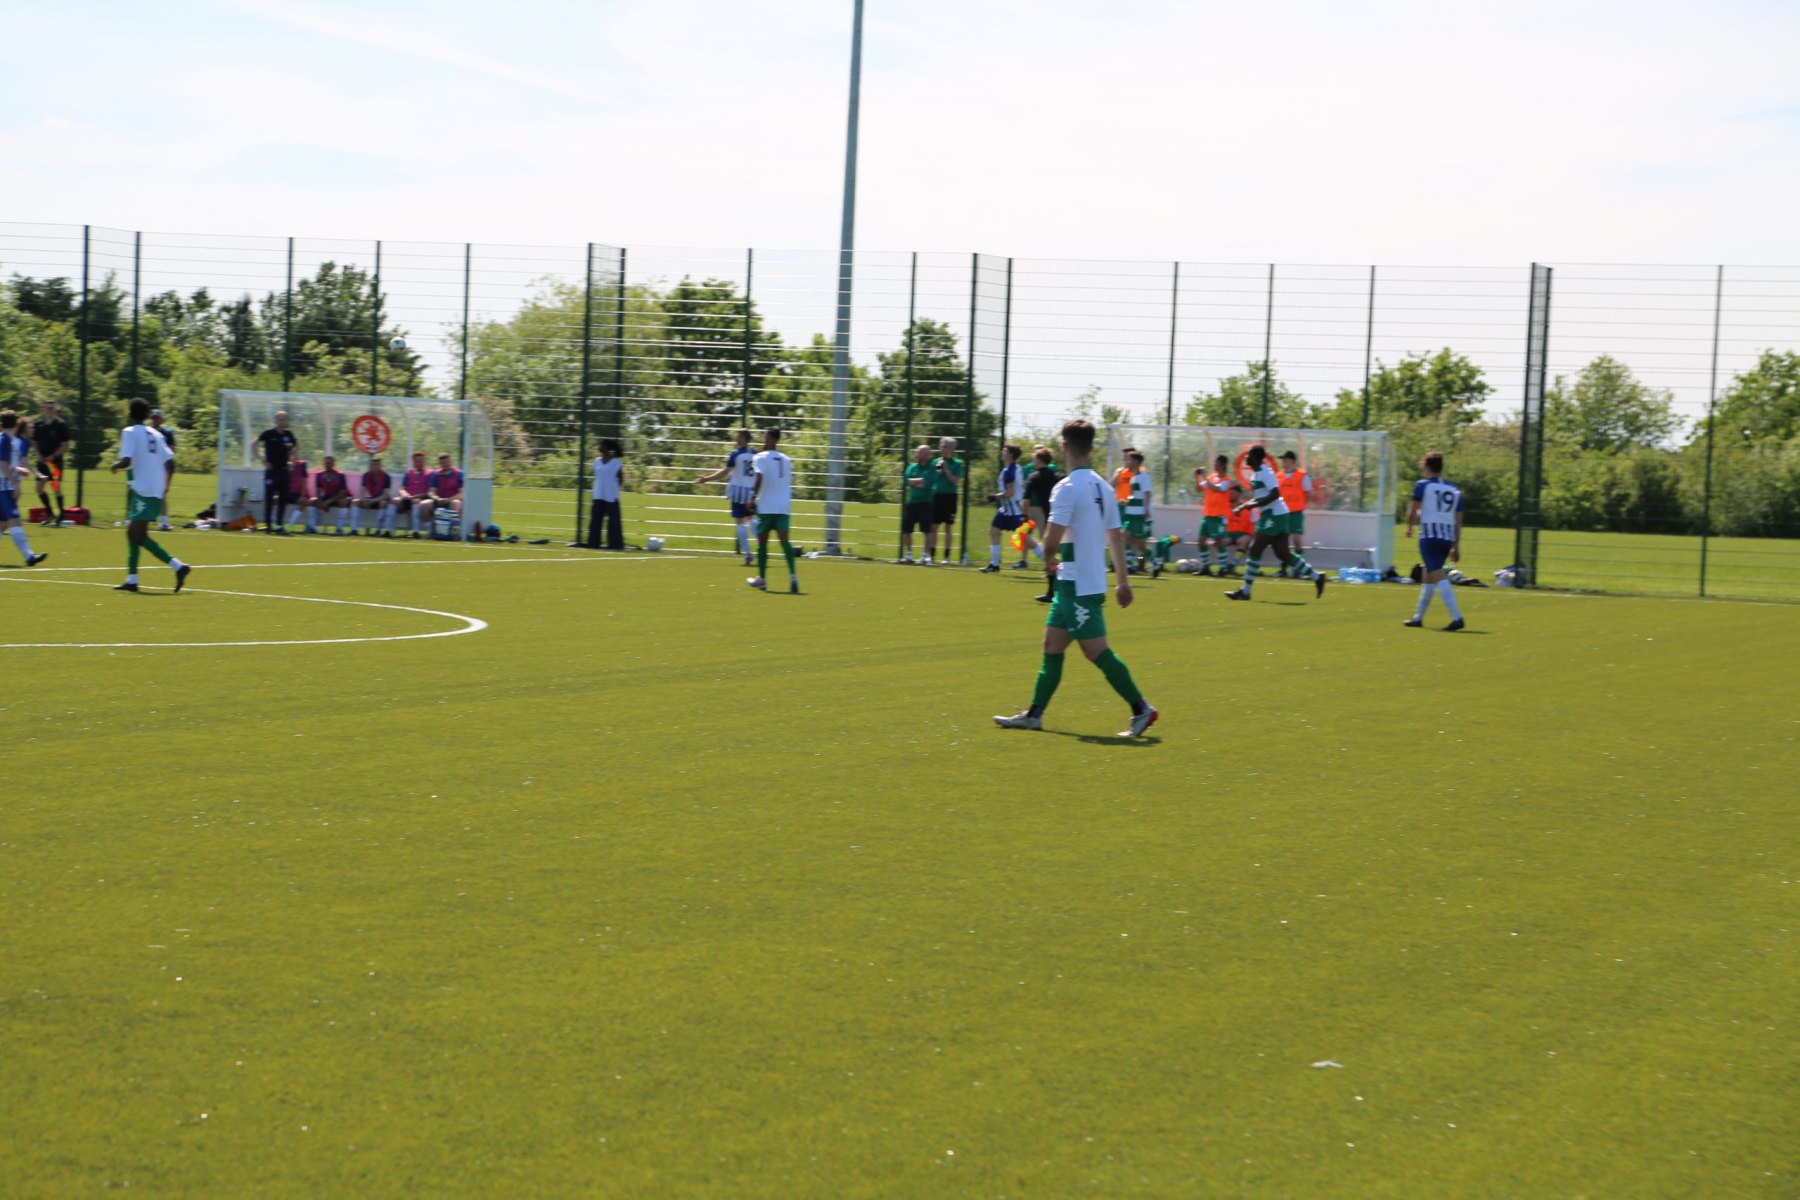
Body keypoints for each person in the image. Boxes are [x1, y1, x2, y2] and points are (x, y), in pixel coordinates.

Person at [995, 419, 1156, 738]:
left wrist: (1045, 556)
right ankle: (1034, 715)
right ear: (1091, 448)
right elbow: (1115, 537)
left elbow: (1052, 539)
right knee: (1052, 645)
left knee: (1096, 650)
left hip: (1077, 585)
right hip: (1081, 581)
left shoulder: (1066, 488)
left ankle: (1142, 709)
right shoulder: (1104, 487)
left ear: (1064, 446)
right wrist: (1123, 582)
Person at [1224, 444, 1326, 602]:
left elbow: (1275, 494)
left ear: (1256, 458)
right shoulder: (1256, 474)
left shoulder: (1266, 472)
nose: (1246, 458)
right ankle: (1317, 577)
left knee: (1255, 549)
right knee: (1283, 553)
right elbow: (1260, 497)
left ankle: (1245, 591)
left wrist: (1249, 506)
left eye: (1248, 455)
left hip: (1274, 515)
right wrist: (1244, 506)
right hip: (1276, 515)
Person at [110, 398, 191, 593]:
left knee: (136, 534)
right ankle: (132, 579)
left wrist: (116, 465)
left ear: (130, 414)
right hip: (154, 489)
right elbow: (171, 464)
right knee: (133, 532)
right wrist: (165, 487)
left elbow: (127, 460)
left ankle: (178, 566)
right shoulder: (157, 434)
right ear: (147, 415)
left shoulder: (129, 432)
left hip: (142, 489)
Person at [1403, 451, 1467, 632]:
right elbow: (1458, 520)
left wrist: (1409, 526)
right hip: (1446, 539)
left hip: (1429, 537)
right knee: (1428, 575)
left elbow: (1413, 510)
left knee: (1438, 575)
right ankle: (1418, 618)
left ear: (1427, 467)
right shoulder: (1454, 489)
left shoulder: (1423, 485)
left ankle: (1457, 617)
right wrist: (1456, 546)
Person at [746, 427, 799, 594]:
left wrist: (752, 497)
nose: (764, 440)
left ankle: (762, 579)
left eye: (766, 437)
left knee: (762, 542)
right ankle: (793, 578)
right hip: (783, 506)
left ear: (773, 439)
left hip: (766, 505)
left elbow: (759, 477)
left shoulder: (760, 457)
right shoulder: (786, 459)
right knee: (785, 542)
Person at [692, 429, 755, 565]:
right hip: (751, 492)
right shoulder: (755, 454)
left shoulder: (736, 454)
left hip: (738, 491)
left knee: (740, 522)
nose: (736, 438)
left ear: (744, 438)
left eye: (738, 436)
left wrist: (706, 479)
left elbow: (725, 472)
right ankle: (763, 546)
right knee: (750, 519)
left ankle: (748, 554)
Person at [0, 411, 48, 566]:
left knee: (3, 524)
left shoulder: (8, 440)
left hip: (5, 486)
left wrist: (18, 470)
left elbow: (7, 464)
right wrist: (15, 483)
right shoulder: (5, 440)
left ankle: (29, 556)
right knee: (15, 521)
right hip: (4, 487)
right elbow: (3, 465)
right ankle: (29, 556)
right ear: (16, 424)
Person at [981, 443, 1027, 573]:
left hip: (1014, 512)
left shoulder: (1009, 471)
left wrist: (994, 497)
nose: (1002, 452)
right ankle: (994, 565)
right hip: (1006, 510)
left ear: (1010, 455)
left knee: (1027, 540)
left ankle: (1049, 562)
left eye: (1005, 451)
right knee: (993, 531)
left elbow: (1010, 492)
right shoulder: (1015, 468)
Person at [1022, 446, 1059, 591]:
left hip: (1046, 515)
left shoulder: (1034, 477)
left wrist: (1025, 517)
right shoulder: (1057, 475)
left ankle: (1051, 590)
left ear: (1038, 460)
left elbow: (1025, 500)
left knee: (1048, 548)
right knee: (1058, 547)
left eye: (1034, 459)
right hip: (1059, 515)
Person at [1195, 456, 1237, 576]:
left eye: (1217, 463)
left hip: (1219, 516)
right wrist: (1197, 476)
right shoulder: (1211, 477)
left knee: (1219, 542)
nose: (1215, 465)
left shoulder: (1226, 480)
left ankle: (1223, 568)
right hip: (1208, 514)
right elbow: (1199, 489)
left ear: (1223, 465)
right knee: (1201, 540)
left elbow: (1215, 489)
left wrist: (1203, 476)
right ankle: (1205, 567)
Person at [257, 410, 297, 534]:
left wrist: (292, 460)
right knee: (269, 499)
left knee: (283, 499)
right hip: (272, 471)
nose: (282, 421)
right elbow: (253, 444)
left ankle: (279, 526)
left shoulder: (288, 434)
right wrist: (262, 460)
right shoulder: (269, 433)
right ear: (275, 420)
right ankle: (268, 526)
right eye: (280, 419)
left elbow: (296, 447)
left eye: (284, 419)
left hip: (284, 471)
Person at [32, 399, 70, 526]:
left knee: (56, 488)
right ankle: (50, 514)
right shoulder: (39, 425)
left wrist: (53, 456)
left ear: (56, 409)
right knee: (39, 488)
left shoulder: (60, 425)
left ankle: (61, 515)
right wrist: (38, 454)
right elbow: (35, 442)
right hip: (42, 461)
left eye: (52, 408)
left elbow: (65, 445)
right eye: (47, 408)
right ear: (43, 409)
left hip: (55, 462)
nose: (50, 410)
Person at [1275, 450, 1312, 575]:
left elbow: (1307, 493)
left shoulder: (1302, 475)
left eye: (1285, 459)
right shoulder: (1279, 475)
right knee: (1282, 541)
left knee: (1297, 540)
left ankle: (1298, 568)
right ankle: (1283, 569)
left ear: (1292, 461)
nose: (1283, 461)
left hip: (1296, 512)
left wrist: (1301, 506)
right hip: (1282, 513)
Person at [585, 440, 625, 550]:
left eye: (601, 445)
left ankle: (615, 545)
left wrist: (616, 490)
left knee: (614, 523)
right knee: (595, 521)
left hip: (611, 496)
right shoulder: (596, 461)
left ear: (607, 448)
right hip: (598, 495)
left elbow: (621, 478)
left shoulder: (616, 462)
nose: (599, 447)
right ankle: (593, 544)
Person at [900, 444, 935, 564]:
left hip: (925, 503)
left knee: (926, 531)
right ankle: (909, 555)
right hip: (912, 502)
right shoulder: (912, 467)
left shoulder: (931, 468)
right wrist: (920, 480)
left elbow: (927, 484)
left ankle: (924, 556)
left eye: (920, 452)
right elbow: (906, 480)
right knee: (906, 529)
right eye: (917, 452)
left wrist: (914, 482)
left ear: (927, 455)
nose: (917, 454)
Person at [930, 436, 964, 564]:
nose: (942, 448)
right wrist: (938, 471)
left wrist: (947, 470)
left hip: (950, 497)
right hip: (936, 496)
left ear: (952, 449)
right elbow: (931, 478)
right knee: (934, 527)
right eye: (941, 446)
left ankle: (946, 557)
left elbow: (956, 481)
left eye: (945, 446)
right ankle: (932, 556)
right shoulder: (935, 462)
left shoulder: (958, 463)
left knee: (948, 527)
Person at [1121, 449, 1154, 574]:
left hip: (1139, 515)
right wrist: (1125, 501)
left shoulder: (1143, 476)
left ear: (1135, 461)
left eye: (1129, 460)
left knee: (1140, 544)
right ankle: (1129, 564)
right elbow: (1133, 495)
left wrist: (1146, 509)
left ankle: (1154, 562)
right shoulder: (1131, 477)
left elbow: (1147, 494)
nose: (1126, 462)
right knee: (1125, 537)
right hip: (1130, 514)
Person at [419, 453, 465, 534]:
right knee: (424, 504)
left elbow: (462, 493)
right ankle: (430, 531)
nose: (445, 464)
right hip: (439, 500)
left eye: (447, 462)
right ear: (440, 463)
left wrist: (449, 499)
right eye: (443, 463)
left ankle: (453, 531)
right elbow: (431, 492)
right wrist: (437, 498)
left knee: (456, 503)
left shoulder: (459, 474)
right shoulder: (436, 474)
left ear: (451, 461)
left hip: (452, 499)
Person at [308, 454, 353, 534]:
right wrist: (320, 502)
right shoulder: (319, 475)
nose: (327, 465)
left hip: (340, 496)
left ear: (333, 464)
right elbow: (318, 491)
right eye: (326, 463)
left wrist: (329, 502)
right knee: (312, 501)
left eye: (329, 463)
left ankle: (339, 528)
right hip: (328, 496)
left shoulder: (340, 475)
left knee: (343, 502)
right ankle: (312, 527)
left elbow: (342, 493)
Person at [392, 451, 432, 538]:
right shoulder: (408, 473)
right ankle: (389, 531)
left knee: (415, 505)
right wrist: (406, 495)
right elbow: (402, 489)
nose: (419, 463)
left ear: (424, 461)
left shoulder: (430, 474)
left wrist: (417, 497)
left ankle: (416, 532)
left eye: (421, 461)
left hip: (422, 499)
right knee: (393, 502)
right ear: (414, 462)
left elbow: (430, 492)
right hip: (409, 498)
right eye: (417, 461)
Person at [351, 456, 394, 536]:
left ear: (380, 466)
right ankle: (354, 529)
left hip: (380, 499)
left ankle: (378, 530)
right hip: (371, 499)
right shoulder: (366, 475)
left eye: (376, 464)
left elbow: (386, 495)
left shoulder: (386, 477)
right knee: (355, 502)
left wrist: (372, 501)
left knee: (383, 503)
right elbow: (362, 491)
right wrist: (363, 500)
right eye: (372, 465)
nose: (374, 466)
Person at [150, 409, 177, 531]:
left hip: (164, 466)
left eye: (157, 418)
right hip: (151, 466)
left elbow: (172, 451)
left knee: (162, 493)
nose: (155, 420)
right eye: (154, 418)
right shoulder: (148, 432)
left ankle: (164, 522)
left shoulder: (167, 433)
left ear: (162, 419)